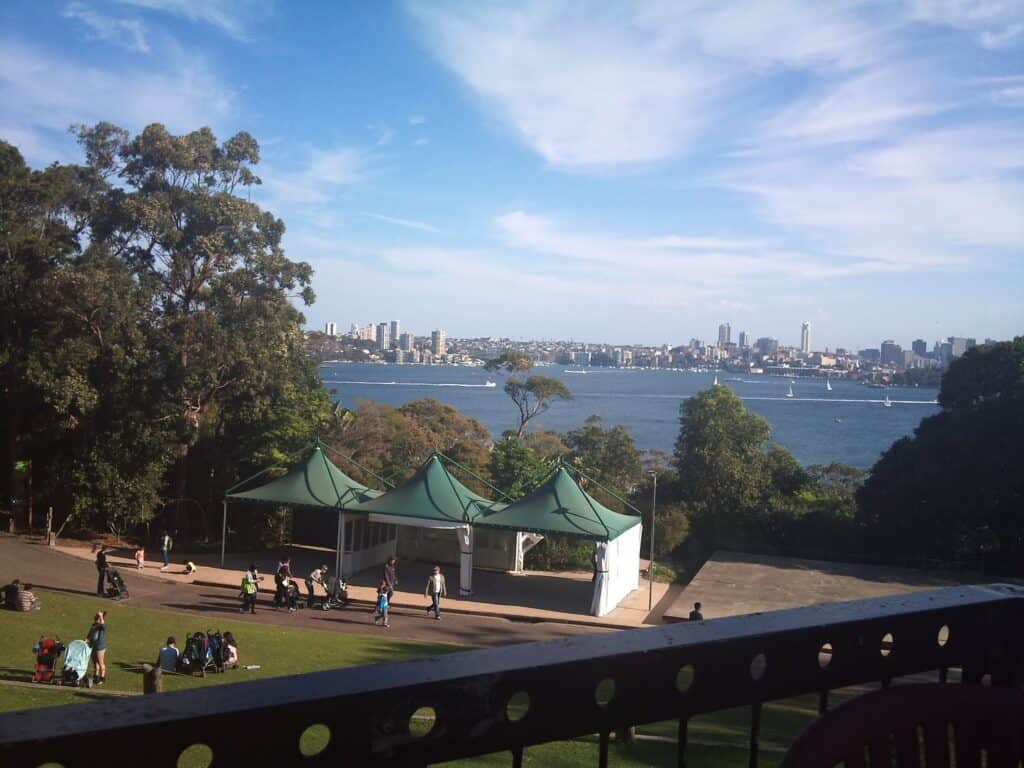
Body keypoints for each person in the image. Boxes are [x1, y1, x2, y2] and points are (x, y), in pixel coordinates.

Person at [87, 610, 107, 685]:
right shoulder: (93, 625)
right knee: (95, 662)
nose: (95, 617)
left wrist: (101, 616)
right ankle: (96, 676)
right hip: (93, 645)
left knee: (100, 662)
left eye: (97, 616)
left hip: (100, 647)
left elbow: (103, 625)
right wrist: (86, 640)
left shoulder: (102, 626)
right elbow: (89, 634)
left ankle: (102, 678)